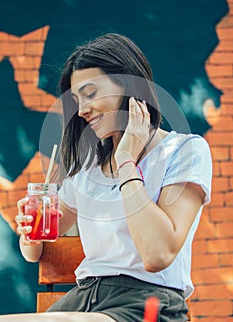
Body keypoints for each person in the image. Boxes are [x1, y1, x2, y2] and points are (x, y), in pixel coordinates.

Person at [8, 33, 211, 322]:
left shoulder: (185, 150)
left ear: (129, 86)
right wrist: (29, 231)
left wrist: (127, 161)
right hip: (83, 301)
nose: (82, 110)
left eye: (91, 93)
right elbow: (36, 249)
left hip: (148, 305)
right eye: (77, 99)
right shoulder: (88, 168)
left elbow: (157, 255)